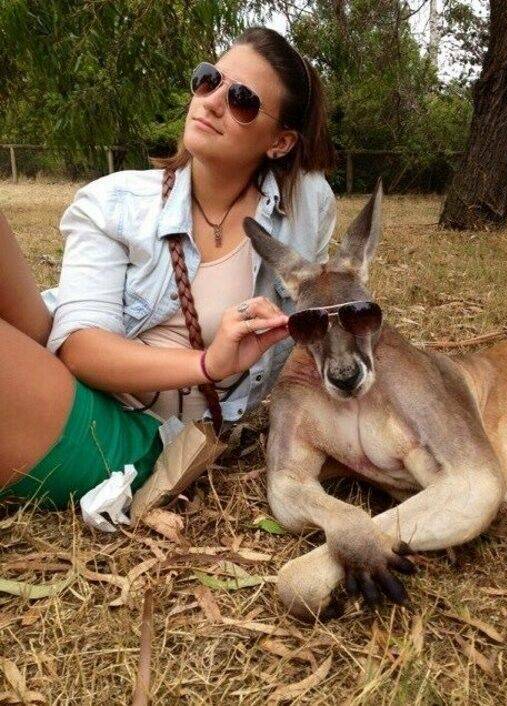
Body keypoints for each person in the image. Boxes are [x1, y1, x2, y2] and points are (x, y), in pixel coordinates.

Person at [0, 26, 337, 510]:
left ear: (280, 142)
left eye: (241, 99)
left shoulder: (307, 204)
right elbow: (80, 347)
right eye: (209, 80)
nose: (212, 102)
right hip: (69, 369)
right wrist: (208, 364)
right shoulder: (116, 202)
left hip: (139, 432)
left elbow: (319, 298)